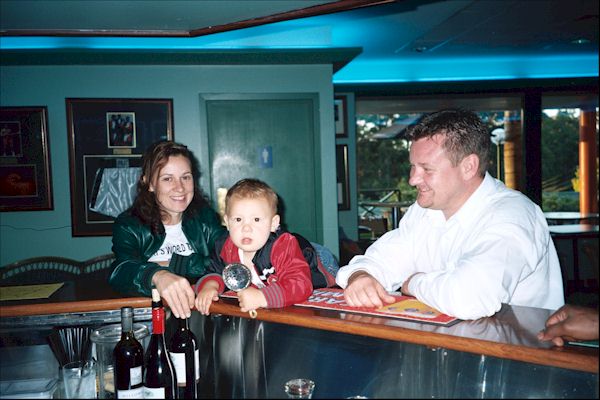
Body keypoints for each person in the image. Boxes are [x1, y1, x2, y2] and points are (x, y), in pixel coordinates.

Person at [336, 108, 564, 320]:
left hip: (520, 356)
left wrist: (414, 283)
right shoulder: (426, 210)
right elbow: (381, 261)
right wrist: (361, 277)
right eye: (413, 167)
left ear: (468, 167)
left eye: (427, 169)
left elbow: (471, 299)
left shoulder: (514, 214)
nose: (413, 179)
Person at [109, 140, 226, 318]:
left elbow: (227, 261)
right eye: (167, 178)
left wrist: (173, 264)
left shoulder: (206, 218)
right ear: (149, 183)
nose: (180, 188)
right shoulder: (129, 224)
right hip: (151, 317)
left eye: (185, 177)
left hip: (202, 313)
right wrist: (157, 275)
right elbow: (120, 271)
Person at [195, 178, 336, 315]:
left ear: (273, 223)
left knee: (342, 286)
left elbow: (299, 284)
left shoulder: (281, 247)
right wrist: (210, 285)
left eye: (256, 219)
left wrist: (263, 297)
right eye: (238, 219)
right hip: (275, 274)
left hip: (317, 261)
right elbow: (214, 270)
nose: (246, 228)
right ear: (227, 221)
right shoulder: (225, 247)